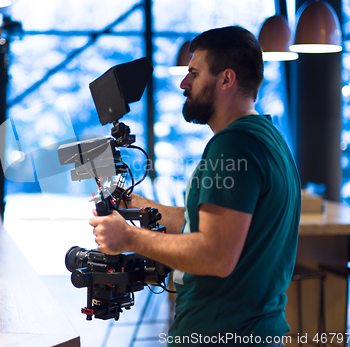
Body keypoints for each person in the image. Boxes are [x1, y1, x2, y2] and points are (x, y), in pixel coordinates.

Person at [89, 26, 301, 346]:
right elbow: (202, 225)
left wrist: (129, 237)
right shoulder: (267, 137)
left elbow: (215, 254)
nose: (183, 84)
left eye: (194, 73)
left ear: (226, 79)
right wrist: (133, 202)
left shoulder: (233, 146)